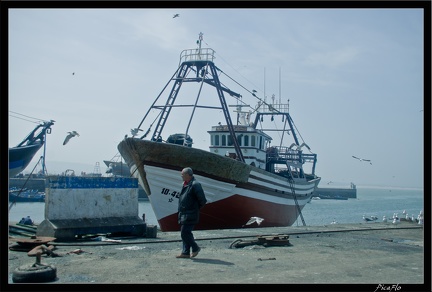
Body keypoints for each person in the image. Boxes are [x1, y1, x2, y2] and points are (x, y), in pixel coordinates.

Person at [176, 167, 207, 258]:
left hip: (190, 214)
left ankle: (195, 247)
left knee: (184, 233)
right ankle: (185, 252)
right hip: (184, 214)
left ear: (187, 174)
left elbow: (202, 200)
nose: (181, 175)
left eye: (182, 174)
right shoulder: (186, 184)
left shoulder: (195, 185)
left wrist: (194, 208)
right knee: (186, 233)